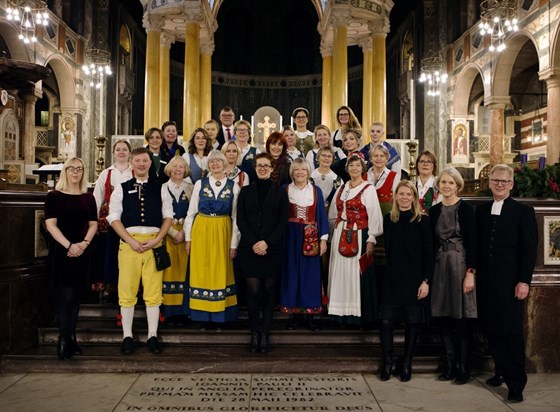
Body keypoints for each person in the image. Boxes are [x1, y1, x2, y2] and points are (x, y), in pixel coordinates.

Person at [476, 164, 537, 403]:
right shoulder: (481, 211)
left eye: (504, 181)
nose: (499, 184)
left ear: (511, 184)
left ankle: (516, 384)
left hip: (511, 283)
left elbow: (529, 250)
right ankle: (500, 370)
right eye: (495, 180)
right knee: (492, 329)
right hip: (486, 283)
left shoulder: (523, 211)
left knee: (511, 333)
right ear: (489, 183)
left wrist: (524, 281)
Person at [108, 147, 173, 355]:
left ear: (149, 163)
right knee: (127, 291)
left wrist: (157, 240)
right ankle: (127, 336)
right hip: (129, 244)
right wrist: (129, 241)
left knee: (153, 293)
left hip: (154, 244)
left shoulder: (161, 188)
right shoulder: (121, 187)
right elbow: (113, 218)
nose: (141, 164)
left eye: (145, 160)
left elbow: (168, 218)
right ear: (131, 163)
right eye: (137, 161)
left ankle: (152, 336)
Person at [379, 180, 433, 382]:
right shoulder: (389, 219)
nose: (404, 198)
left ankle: (407, 362)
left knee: (412, 321)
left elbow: (428, 253)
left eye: (408, 194)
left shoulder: (422, 220)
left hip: (415, 278)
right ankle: (387, 361)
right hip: (393, 276)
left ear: (414, 197)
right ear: (395, 196)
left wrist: (426, 280)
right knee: (386, 320)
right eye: (400, 194)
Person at [45, 157, 98, 360]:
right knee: (65, 296)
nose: (76, 172)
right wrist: (69, 245)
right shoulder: (54, 196)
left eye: (79, 169)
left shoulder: (88, 198)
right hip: (62, 252)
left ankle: (72, 337)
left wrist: (83, 244)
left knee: (76, 296)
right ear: (65, 171)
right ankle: (63, 339)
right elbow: (51, 225)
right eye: (72, 169)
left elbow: (93, 224)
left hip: (82, 251)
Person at [236, 153, 289, 353]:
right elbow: (241, 220)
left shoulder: (280, 192)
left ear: (272, 169)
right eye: (260, 166)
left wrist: (266, 242)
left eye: (267, 166)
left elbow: (283, 221)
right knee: (253, 292)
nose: (263, 169)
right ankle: (254, 333)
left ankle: (265, 334)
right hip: (250, 249)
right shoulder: (246, 191)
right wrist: (254, 242)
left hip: (272, 249)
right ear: (255, 168)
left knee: (268, 292)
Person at [428, 167, 477, 384]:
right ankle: (449, 364)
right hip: (440, 265)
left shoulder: (466, 208)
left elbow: (474, 243)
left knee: (461, 319)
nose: (446, 186)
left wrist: (470, 274)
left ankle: (463, 367)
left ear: (457, 185)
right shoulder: (435, 210)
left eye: (450, 183)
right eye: (443, 182)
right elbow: (430, 243)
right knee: (444, 316)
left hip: (460, 263)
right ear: (438, 185)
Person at [184, 150, 241, 329]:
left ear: (225, 164)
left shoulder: (234, 186)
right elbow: (190, 213)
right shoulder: (200, 184)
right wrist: (188, 238)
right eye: (212, 161)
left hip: (223, 230)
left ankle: (219, 318)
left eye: (218, 161)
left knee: (221, 271)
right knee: (202, 270)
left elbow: (236, 218)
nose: (215, 164)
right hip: (201, 230)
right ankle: (201, 317)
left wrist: (234, 243)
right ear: (208, 165)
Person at [328, 153, 383, 324]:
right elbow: (332, 214)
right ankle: (340, 314)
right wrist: (333, 233)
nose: (354, 168)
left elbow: (375, 216)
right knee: (341, 274)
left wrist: (371, 239)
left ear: (363, 168)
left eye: (357, 165)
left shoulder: (368, 189)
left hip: (359, 234)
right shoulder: (341, 188)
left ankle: (356, 315)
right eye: (351, 166)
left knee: (355, 273)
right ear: (347, 168)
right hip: (340, 233)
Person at [280, 158, 329, 330]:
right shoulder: (285, 190)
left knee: (310, 275)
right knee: (292, 273)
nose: (300, 172)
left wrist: (323, 240)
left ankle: (310, 315)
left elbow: (321, 216)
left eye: (303, 169)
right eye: (296, 169)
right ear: (292, 172)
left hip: (310, 235)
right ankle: (294, 315)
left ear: (308, 172)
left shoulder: (316, 191)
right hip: (290, 235)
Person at [93, 139, 133, 299]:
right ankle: (110, 285)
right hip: (110, 220)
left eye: (124, 149)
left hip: (130, 219)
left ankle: (130, 285)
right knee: (111, 253)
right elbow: (97, 197)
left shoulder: (134, 171)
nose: (121, 152)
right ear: (114, 153)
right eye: (118, 149)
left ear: (129, 153)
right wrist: (93, 219)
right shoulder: (106, 173)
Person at [161, 156, 194, 324]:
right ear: (169, 169)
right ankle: (168, 311)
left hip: (187, 235)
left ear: (186, 169)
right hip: (168, 233)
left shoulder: (191, 188)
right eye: (175, 166)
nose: (178, 169)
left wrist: (185, 234)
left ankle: (184, 311)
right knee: (169, 271)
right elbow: (159, 213)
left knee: (185, 271)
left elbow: (194, 212)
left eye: (181, 167)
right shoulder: (162, 188)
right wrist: (173, 233)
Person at [311, 146, 343, 210]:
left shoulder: (338, 180)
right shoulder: (309, 177)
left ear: (333, 160)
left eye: (329, 156)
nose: (326, 158)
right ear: (318, 157)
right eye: (323, 155)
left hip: (330, 213)